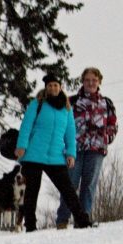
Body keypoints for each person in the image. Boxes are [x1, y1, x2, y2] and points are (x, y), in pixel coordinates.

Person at [15, 74, 94, 232]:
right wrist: (22, 146)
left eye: (56, 85)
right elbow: (26, 125)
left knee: (68, 189)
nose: (53, 88)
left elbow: (71, 133)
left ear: (60, 87)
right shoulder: (37, 104)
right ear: (46, 87)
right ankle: (30, 225)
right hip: (33, 155)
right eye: (50, 85)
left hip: (56, 156)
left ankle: (82, 220)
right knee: (32, 191)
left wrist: (71, 153)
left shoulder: (66, 108)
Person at [56, 67, 117, 228]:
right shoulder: (72, 101)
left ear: (99, 82)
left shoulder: (106, 103)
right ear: (82, 81)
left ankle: (83, 220)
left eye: (94, 80)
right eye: (87, 80)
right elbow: (62, 123)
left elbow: (112, 124)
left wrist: (106, 137)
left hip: (96, 150)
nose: (91, 83)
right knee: (71, 184)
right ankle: (62, 220)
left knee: (89, 185)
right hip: (74, 150)